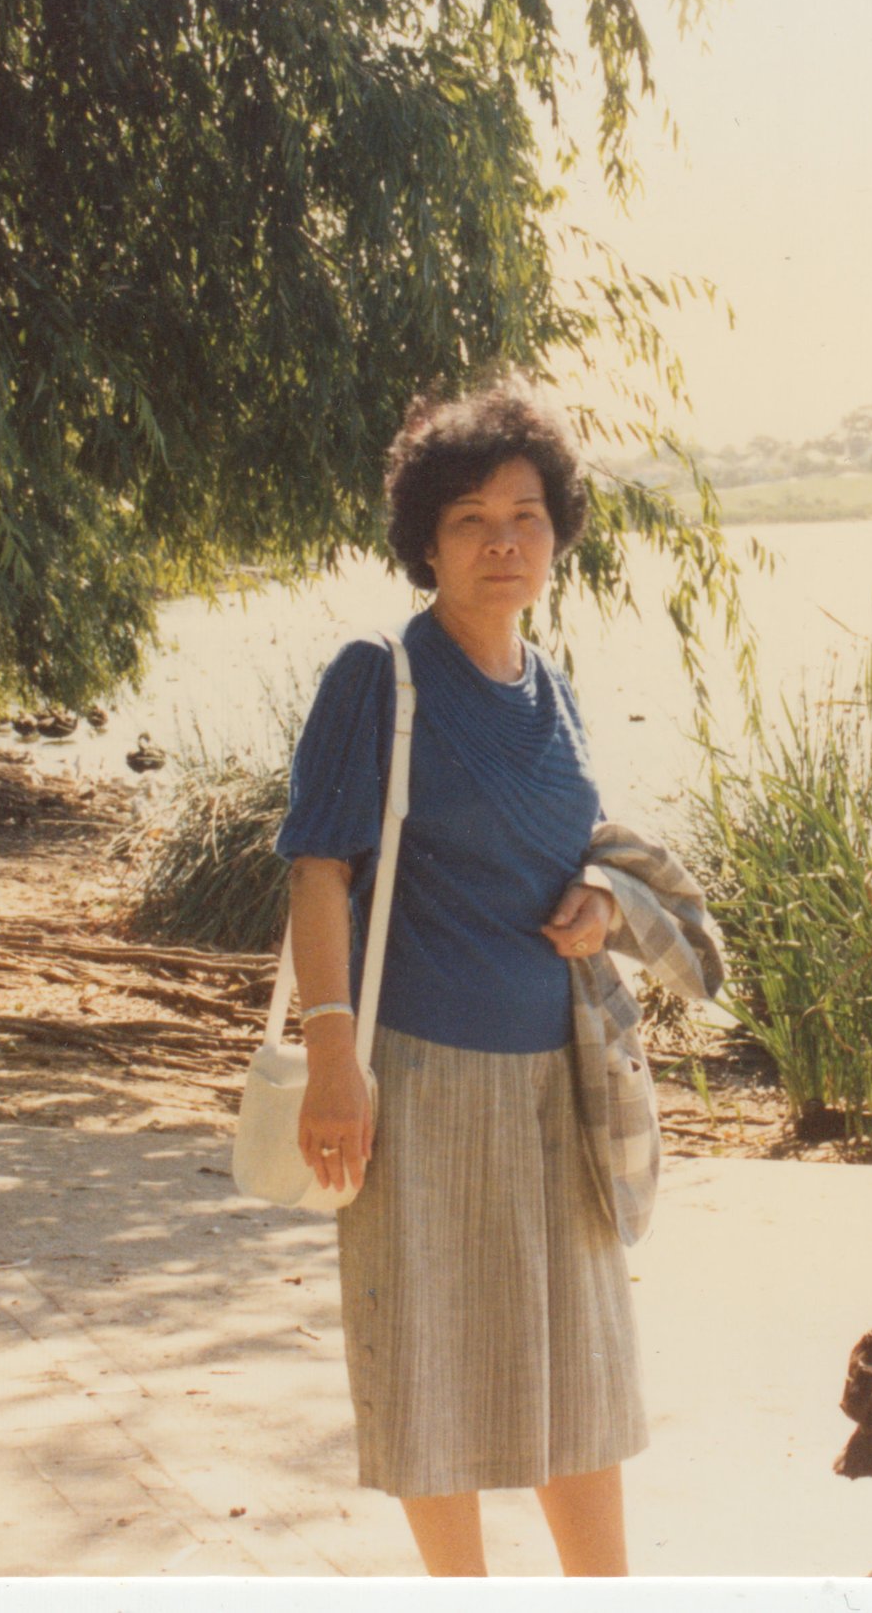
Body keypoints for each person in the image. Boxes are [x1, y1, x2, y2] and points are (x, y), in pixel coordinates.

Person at [273, 382, 641, 1576]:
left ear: (557, 534)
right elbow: (318, 870)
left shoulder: (555, 690)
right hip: (419, 1080)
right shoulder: (378, 675)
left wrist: (604, 901)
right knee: (431, 1370)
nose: (503, 541)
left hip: (558, 1083)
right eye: (471, 519)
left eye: (526, 516)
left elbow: (574, 854)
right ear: (426, 541)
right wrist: (334, 1059)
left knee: (578, 1373)